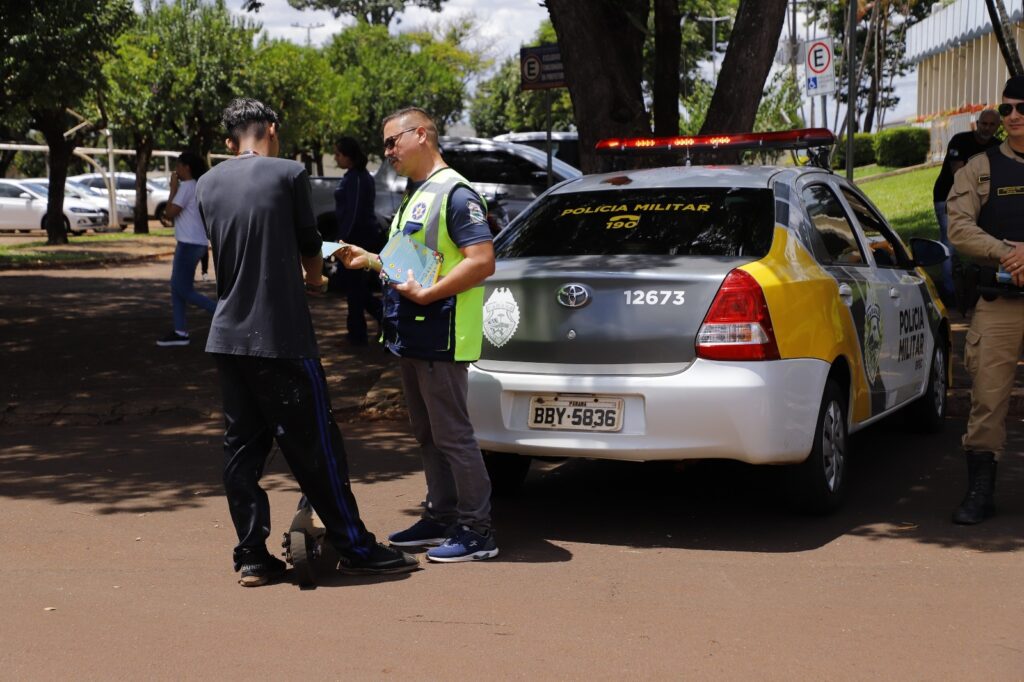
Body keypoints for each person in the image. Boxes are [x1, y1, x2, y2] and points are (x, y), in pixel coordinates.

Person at [196, 97, 417, 585]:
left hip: (228, 336)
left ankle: (251, 555)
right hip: (281, 335)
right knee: (318, 446)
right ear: (272, 128)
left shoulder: (208, 183)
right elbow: (309, 244)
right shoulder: (289, 173)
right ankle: (355, 546)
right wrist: (314, 279)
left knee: (242, 453)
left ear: (232, 140)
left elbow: (227, 247)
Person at [339, 107, 498, 562]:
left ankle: (478, 530)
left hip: (443, 335)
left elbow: (482, 260)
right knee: (427, 433)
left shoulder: (456, 192)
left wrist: (429, 295)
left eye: (393, 141)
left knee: (452, 435)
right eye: (385, 143)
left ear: (422, 134)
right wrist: (369, 259)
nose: (387, 151)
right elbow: (410, 260)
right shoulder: (419, 193)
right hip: (413, 335)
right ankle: (442, 515)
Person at [946, 76, 1024, 525]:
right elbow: (958, 228)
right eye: (1007, 108)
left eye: (1021, 109)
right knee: (987, 400)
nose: (1012, 116)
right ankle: (980, 491)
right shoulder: (981, 167)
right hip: (999, 302)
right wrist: (1007, 253)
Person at [933, 108, 1001, 298]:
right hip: (948, 197)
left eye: (991, 125)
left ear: (997, 127)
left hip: (981, 200)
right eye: (983, 123)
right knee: (950, 242)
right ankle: (950, 293)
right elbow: (959, 175)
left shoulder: (998, 147)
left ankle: (980, 288)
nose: (986, 128)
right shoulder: (959, 141)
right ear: (977, 123)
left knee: (985, 242)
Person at [156, 152, 216, 347]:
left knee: (182, 288)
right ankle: (180, 331)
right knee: (178, 289)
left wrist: (173, 189)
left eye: (178, 166)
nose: (176, 170)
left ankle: (223, 315)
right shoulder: (199, 185)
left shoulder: (187, 187)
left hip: (188, 245)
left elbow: (169, 213)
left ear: (186, 167)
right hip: (196, 243)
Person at [333, 136, 383, 346]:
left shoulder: (357, 179)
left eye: (338, 153)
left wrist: (343, 239)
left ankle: (362, 330)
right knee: (355, 288)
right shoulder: (356, 177)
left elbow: (353, 213)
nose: (335, 158)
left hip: (358, 241)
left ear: (348, 155)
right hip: (358, 238)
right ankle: (359, 329)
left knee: (356, 288)